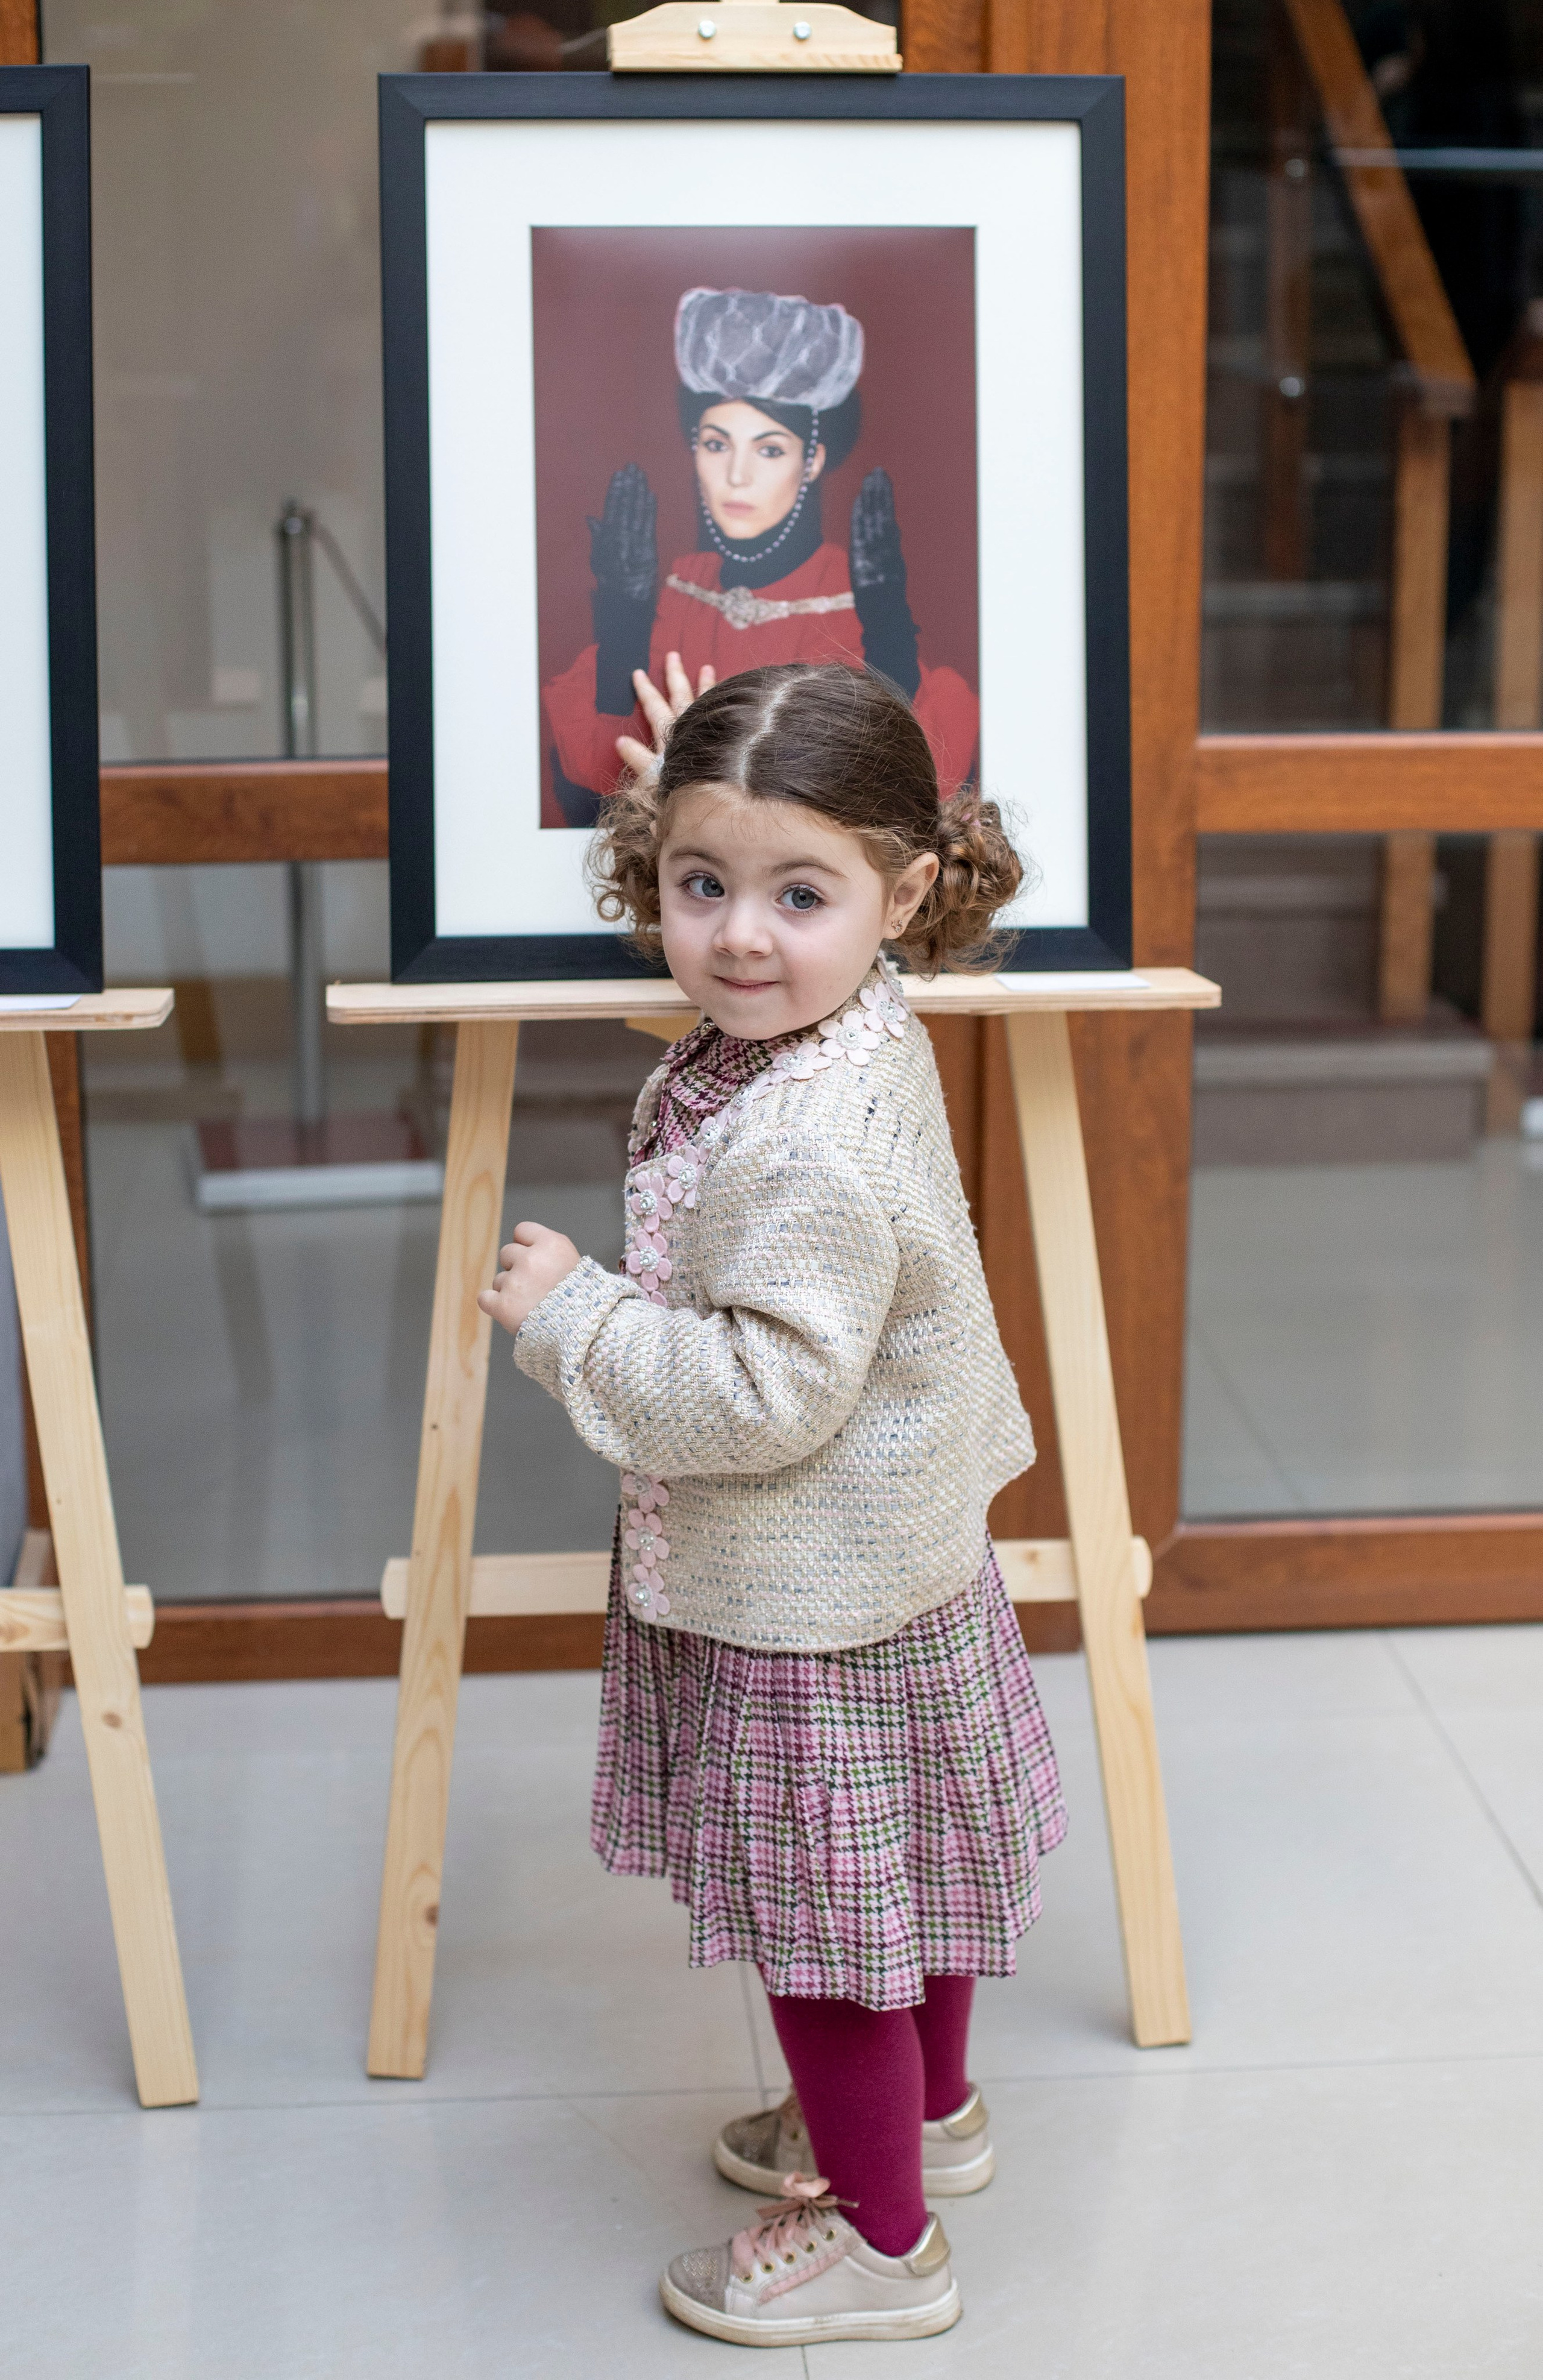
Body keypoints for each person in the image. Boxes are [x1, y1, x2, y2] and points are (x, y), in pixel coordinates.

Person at [480, 658, 1063, 2348]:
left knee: (828, 1938)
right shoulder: (849, 1024)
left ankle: (886, 2244)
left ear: (904, 889)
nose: (739, 934)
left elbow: (764, 1393)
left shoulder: (806, 1129)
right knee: (912, 1878)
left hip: (812, 1597)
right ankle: (930, 2119)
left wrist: (576, 1313)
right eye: (700, 883)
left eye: (798, 894)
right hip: (896, 1558)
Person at [541, 286, 980, 825]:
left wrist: (889, 636)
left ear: (813, 459)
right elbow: (592, 771)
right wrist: (622, 622)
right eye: (716, 444)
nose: (737, 476)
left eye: (769, 449)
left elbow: (919, 793)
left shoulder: (856, 602)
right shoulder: (676, 599)